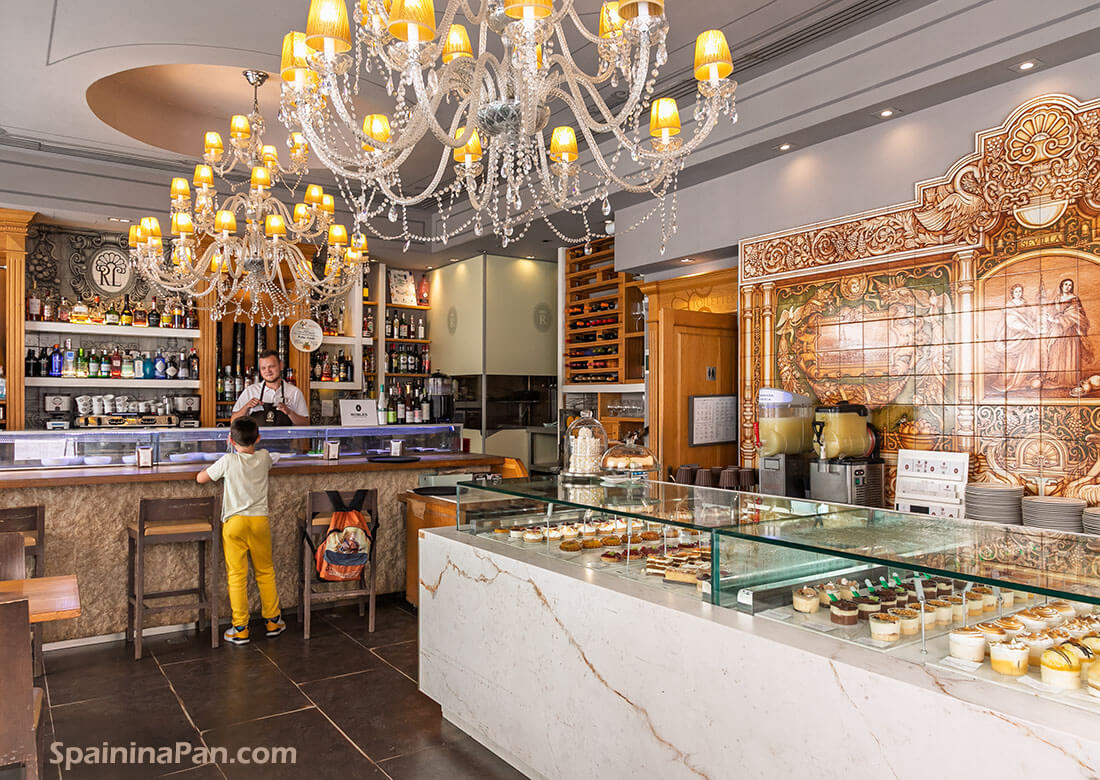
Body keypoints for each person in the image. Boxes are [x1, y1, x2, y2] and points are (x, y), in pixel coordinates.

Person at [196, 416, 285, 645]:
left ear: (230, 440)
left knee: (237, 576)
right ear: (258, 438)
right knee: (265, 571)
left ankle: (240, 629)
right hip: (259, 522)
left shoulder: (227, 460)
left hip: (234, 523)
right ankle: (273, 622)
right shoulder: (264, 457)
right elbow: (274, 458)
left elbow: (201, 478)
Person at [231, 349, 310, 426]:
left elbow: (305, 423)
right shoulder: (250, 391)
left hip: (284, 435)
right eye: (263, 368)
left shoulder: (294, 392)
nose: (267, 371)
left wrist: (289, 412)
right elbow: (233, 421)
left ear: (281, 365)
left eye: (271, 366)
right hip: (257, 435)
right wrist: (246, 407)